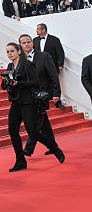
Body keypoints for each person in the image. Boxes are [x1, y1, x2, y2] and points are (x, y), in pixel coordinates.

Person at [2, 43, 65, 172]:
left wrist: (18, 83)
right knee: (12, 131)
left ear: (19, 51)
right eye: (7, 52)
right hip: (15, 102)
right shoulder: (9, 66)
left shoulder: (27, 64)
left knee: (33, 132)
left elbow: (36, 82)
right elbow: (6, 85)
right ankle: (20, 161)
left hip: (28, 102)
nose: (9, 54)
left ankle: (54, 148)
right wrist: (6, 83)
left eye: (12, 51)